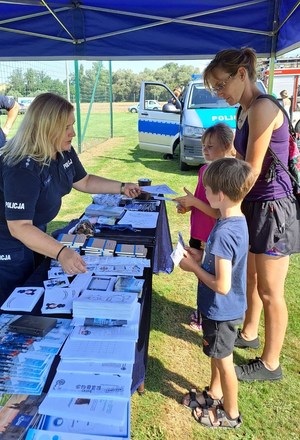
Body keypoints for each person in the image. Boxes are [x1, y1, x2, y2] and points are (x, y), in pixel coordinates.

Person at [203, 47, 300, 381]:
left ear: (241, 74)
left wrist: (222, 202)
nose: (219, 93)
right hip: (255, 205)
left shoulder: (262, 108)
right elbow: (239, 159)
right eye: (215, 88)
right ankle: (248, 333)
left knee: (271, 291)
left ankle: (271, 363)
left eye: (221, 85)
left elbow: (252, 170)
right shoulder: (244, 111)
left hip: (274, 209)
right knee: (252, 280)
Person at [0, 92, 141, 303]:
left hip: (34, 232)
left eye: (72, 125)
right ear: (47, 128)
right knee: (14, 304)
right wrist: (61, 253)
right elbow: (19, 226)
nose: (73, 133)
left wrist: (122, 187)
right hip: (8, 246)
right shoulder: (21, 166)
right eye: (66, 127)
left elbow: (84, 181)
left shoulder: (61, 150)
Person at [179, 157, 255, 428]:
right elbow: (226, 263)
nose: (204, 193)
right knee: (216, 354)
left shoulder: (223, 232)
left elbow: (222, 285)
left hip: (222, 309)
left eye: (206, 189)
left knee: (224, 361)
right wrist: (200, 256)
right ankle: (214, 394)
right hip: (226, 308)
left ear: (219, 195)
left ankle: (230, 413)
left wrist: (193, 268)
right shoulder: (235, 221)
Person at [175, 123, 235, 330]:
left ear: (227, 146)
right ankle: (202, 312)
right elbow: (200, 199)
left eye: (211, 146)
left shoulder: (227, 174)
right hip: (198, 233)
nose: (205, 150)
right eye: (204, 146)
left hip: (213, 237)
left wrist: (195, 203)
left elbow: (218, 213)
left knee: (211, 277)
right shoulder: (203, 170)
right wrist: (188, 206)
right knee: (201, 276)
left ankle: (207, 316)